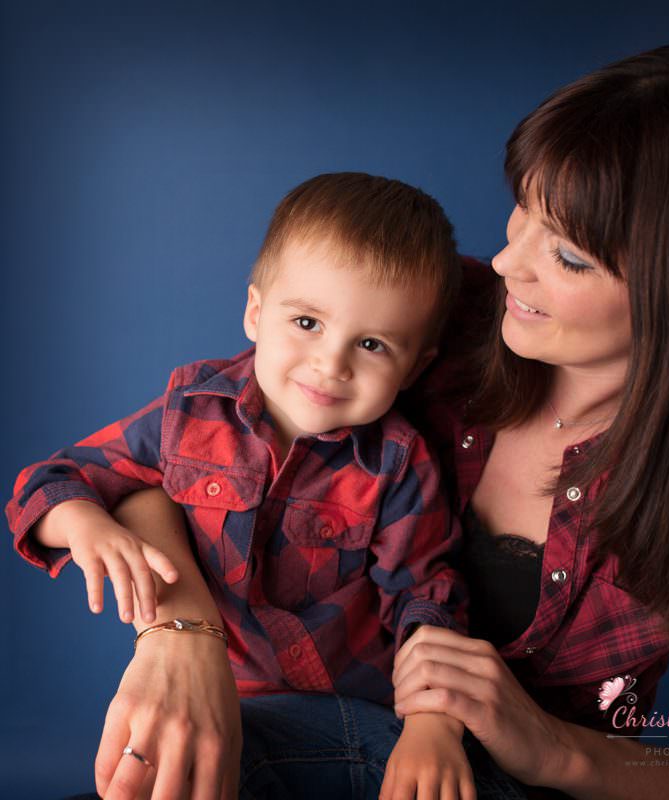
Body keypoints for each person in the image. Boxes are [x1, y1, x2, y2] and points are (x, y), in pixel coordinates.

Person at [14, 43, 669, 799]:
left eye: (569, 258)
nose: (506, 264)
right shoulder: (432, 318)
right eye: (521, 210)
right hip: (314, 732)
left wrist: (564, 750)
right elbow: (185, 453)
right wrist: (180, 630)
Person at [6, 173, 476, 798]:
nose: (331, 365)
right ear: (255, 311)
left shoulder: (395, 462)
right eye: (307, 322)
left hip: (358, 716)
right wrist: (85, 524)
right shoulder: (191, 412)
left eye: (371, 344)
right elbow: (51, 480)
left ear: (414, 366)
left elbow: (427, 601)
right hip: (221, 703)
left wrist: (433, 726)